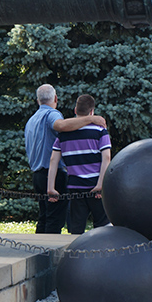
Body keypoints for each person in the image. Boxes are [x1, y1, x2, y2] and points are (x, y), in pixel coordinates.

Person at [25, 84, 106, 233]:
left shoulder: (32, 120)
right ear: (55, 98)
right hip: (53, 175)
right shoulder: (52, 114)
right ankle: (50, 248)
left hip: (37, 175)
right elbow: (61, 126)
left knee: (44, 217)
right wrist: (91, 119)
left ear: (38, 100)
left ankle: (38, 246)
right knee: (54, 220)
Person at [47, 94, 111, 233]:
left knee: (76, 227)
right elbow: (106, 158)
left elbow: (53, 160)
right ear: (92, 112)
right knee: (103, 226)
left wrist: (51, 187)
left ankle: (75, 247)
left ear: (75, 110)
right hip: (96, 186)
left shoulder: (63, 135)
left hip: (75, 186)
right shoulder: (100, 131)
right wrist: (100, 184)